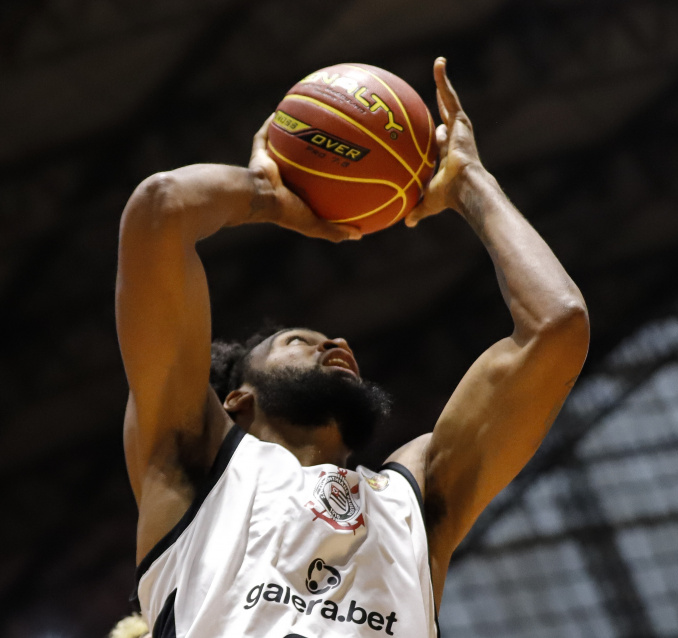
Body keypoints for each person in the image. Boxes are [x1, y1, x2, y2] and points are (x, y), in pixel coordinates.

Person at [116, 57, 589, 637]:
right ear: (236, 402)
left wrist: (471, 184)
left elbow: (557, 327)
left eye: (332, 340)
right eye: (298, 340)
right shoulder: (194, 459)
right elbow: (160, 209)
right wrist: (262, 194)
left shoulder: (415, 494)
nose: (337, 342)